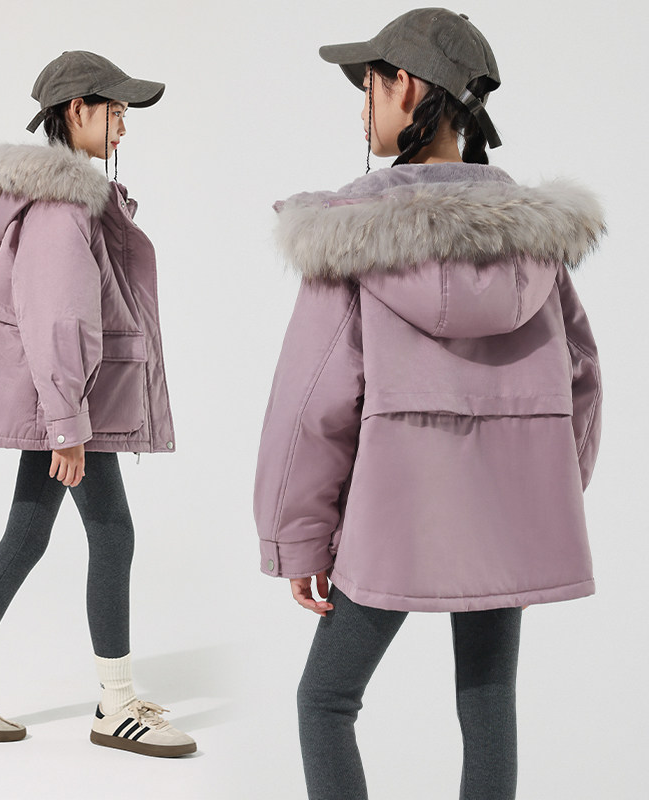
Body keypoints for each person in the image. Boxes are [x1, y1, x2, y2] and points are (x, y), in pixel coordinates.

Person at [253, 9, 604, 799]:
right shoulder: (538, 241)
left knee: (325, 701)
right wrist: (547, 492)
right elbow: (582, 377)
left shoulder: (349, 236)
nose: (362, 106)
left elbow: (312, 404)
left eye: (368, 86)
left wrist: (298, 538)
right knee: (488, 702)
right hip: (508, 516)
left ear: (407, 86)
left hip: (392, 520)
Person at [0, 50, 195, 757]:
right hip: (65, 405)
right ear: (77, 110)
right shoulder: (62, 208)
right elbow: (59, 320)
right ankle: (116, 706)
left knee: (29, 535)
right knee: (112, 534)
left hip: (62, 402)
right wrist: (67, 425)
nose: (124, 125)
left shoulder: (66, 200)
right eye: (115, 110)